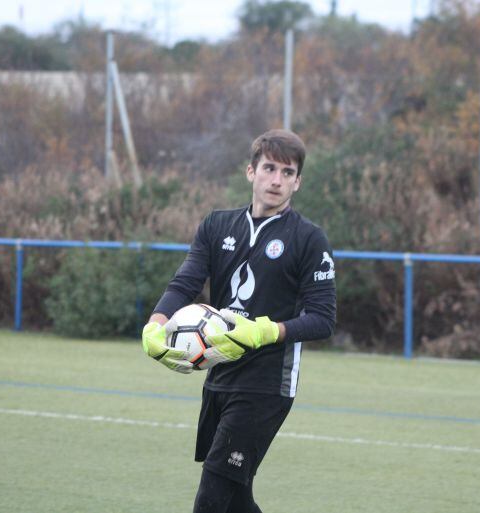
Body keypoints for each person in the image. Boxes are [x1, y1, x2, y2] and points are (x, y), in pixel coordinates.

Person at [141, 129, 336, 513]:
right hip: (219, 374)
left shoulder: (309, 239)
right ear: (251, 172)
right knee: (235, 498)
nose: (276, 179)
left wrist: (264, 331)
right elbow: (186, 282)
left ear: (298, 182)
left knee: (212, 498)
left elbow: (322, 319)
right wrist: (155, 324)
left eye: (286, 172)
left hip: (267, 384)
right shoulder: (216, 226)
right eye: (268, 168)